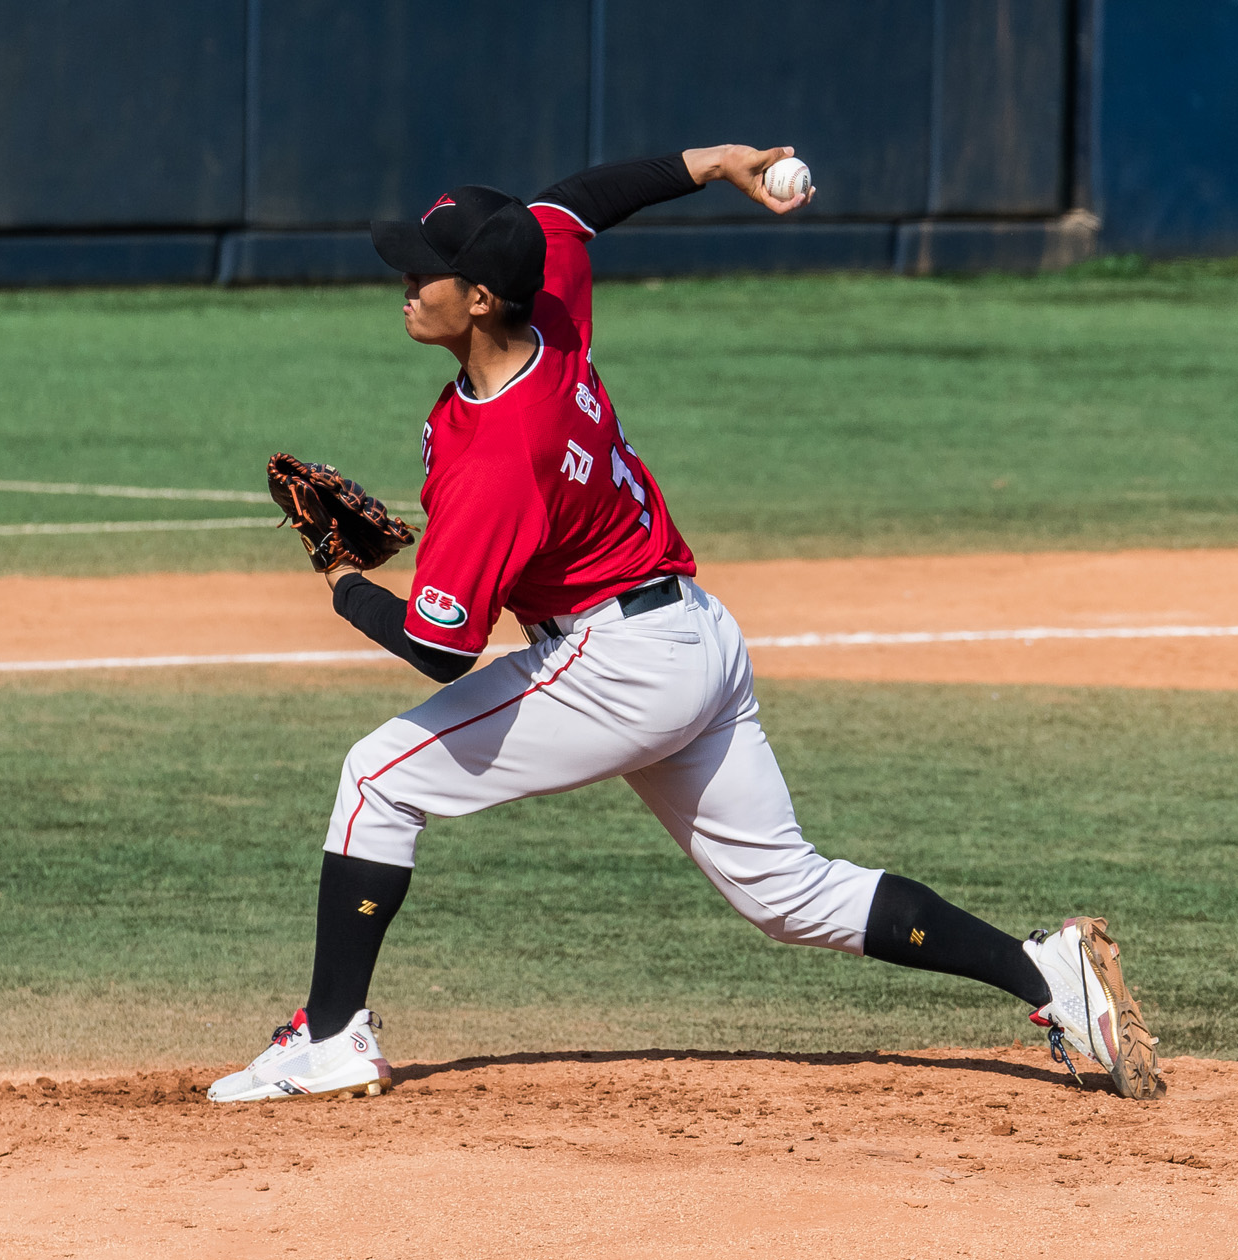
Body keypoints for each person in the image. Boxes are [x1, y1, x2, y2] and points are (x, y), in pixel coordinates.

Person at [209, 145, 1159, 1104]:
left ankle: (331, 1036)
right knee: (787, 893)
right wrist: (714, 163)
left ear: (485, 297)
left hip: (617, 667)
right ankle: (1048, 975)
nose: (405, 284)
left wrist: (339, 578)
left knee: (376, 777)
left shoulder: (498, 453)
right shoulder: (553, 311)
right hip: (695, 638)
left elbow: (439, 651)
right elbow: (577, 203)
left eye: (425, 273)